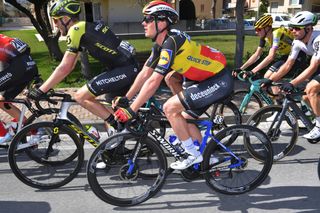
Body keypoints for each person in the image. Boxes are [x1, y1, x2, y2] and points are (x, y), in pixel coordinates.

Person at [113, 1, 234, 170]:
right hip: (201, 79)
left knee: (170, 108)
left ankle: (192, 154)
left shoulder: (172, 42)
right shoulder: (160, 46)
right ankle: (208, 157)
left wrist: (132, 110)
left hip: (218, 80)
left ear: (161, 22)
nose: (143, 23)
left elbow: (154, 81)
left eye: (148, 19)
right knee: (185, 117)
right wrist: (126, 99)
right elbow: (144, 74)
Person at [28, 0, 139, 135]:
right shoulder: (84, 28)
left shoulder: (76, 29)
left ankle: (122, 129)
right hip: (122, 67)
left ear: (65, 18)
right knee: (107, 109)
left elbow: (66, 67)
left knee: (81, 96)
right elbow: (70, 64)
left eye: (56, 21)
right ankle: (119, 142)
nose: (55, 25)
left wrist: (41, 90)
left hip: (123, 69)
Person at [264, 11, 320, 139]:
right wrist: (270, 80)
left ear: (308, 28)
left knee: (311, 89)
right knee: (306, 98)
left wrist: (292, 83)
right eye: (291, 28)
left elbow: (313, 67)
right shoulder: (297, 42)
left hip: (317, 65)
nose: (292, 31)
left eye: (296, 28)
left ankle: (319, 126)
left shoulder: (318, 39)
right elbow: (288, 64)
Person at [0, 34, 39, 143]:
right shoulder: (3, 37)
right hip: (30, 66)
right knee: (3, 101)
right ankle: (34, 132)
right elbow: (26, 48)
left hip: (19, 68)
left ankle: (2, 134)